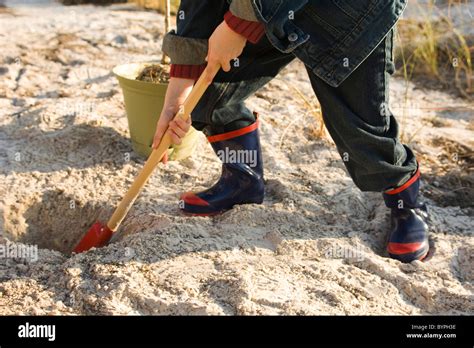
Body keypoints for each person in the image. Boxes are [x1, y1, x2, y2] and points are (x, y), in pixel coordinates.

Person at [152, 0, 429, 263]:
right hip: (262, 9)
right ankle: (242, 180)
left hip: (348, 13)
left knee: (361, 129)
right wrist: (177, 96)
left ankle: (406, 203)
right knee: (208, 88)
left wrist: (239, 24)